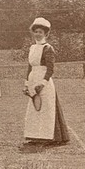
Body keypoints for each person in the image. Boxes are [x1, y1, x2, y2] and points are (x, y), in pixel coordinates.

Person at [23, 17, 69, 145]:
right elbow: (29, 67)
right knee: (34, 109)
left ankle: (48, 136)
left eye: (40, 32)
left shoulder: (48, 48)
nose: (37, 34)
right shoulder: (32, 48)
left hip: (44, 81)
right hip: (33, 79)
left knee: (46, 108)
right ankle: (35, 135)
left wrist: (42, 83)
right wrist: (27, 84)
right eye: (36, 31)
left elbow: (50, 69)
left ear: (46, 34)